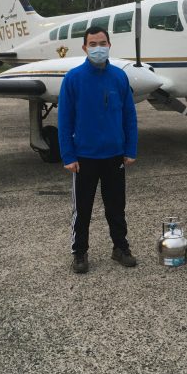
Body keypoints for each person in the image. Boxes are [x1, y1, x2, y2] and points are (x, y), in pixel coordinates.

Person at [57, 26, 138, 273]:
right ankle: (79, 252)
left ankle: (120, 247)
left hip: (114, 155)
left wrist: (130, 148)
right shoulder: (73, 78)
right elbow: (64, 120)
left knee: (116, 206)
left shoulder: (119, 77)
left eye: (102, 43)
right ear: (84, 48)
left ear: (109, 45)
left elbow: (129, 115)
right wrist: (68, 155)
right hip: (84, 157)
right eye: (92, 44)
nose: (98, 48)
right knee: (82, 209)